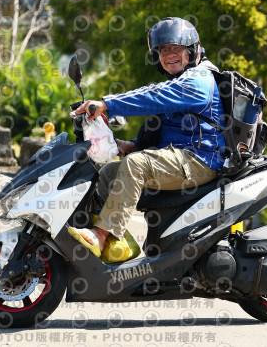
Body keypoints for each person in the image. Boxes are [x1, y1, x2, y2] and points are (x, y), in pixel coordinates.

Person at [69, 17, 225, 260]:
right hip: (180, 158)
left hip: (200, 161)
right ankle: (120, 241)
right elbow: (169, 129)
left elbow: (153, 96)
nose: (169, 55)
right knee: (110, 172)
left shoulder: (199, 79)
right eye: (163, 50)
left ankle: (100, 235)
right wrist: (129, 145)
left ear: (192, 50)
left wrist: (107, 104)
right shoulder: (179, 81)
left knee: (135, 165)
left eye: (176, 48)